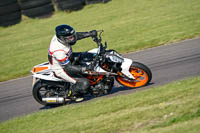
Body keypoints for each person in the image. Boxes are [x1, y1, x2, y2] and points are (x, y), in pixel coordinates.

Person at [48, 24, 97, 101]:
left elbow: (76, 36)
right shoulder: (58, 51)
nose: (73, 39)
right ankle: (71, 95)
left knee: (89, 56)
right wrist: (84, 68)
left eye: (72, 36)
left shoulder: (60, 38)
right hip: (62, 69)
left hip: (69, 58)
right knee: (84, 83)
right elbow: (68, 68)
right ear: (62, 39)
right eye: (70, 38)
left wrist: (89, 33)